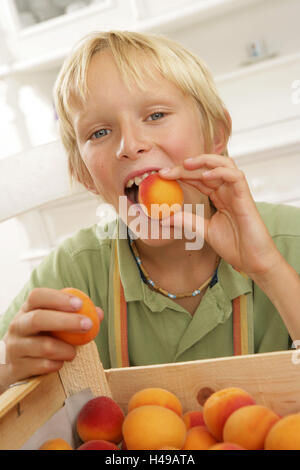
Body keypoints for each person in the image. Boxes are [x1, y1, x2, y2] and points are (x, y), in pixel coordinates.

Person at [1, 30, 300, 393]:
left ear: (216, 135)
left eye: (156, 114)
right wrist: (10, 369)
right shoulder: (74, 269)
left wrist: (267, 268)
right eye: (99, 132)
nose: (130, 145)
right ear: (85, 175)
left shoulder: (289, 241)